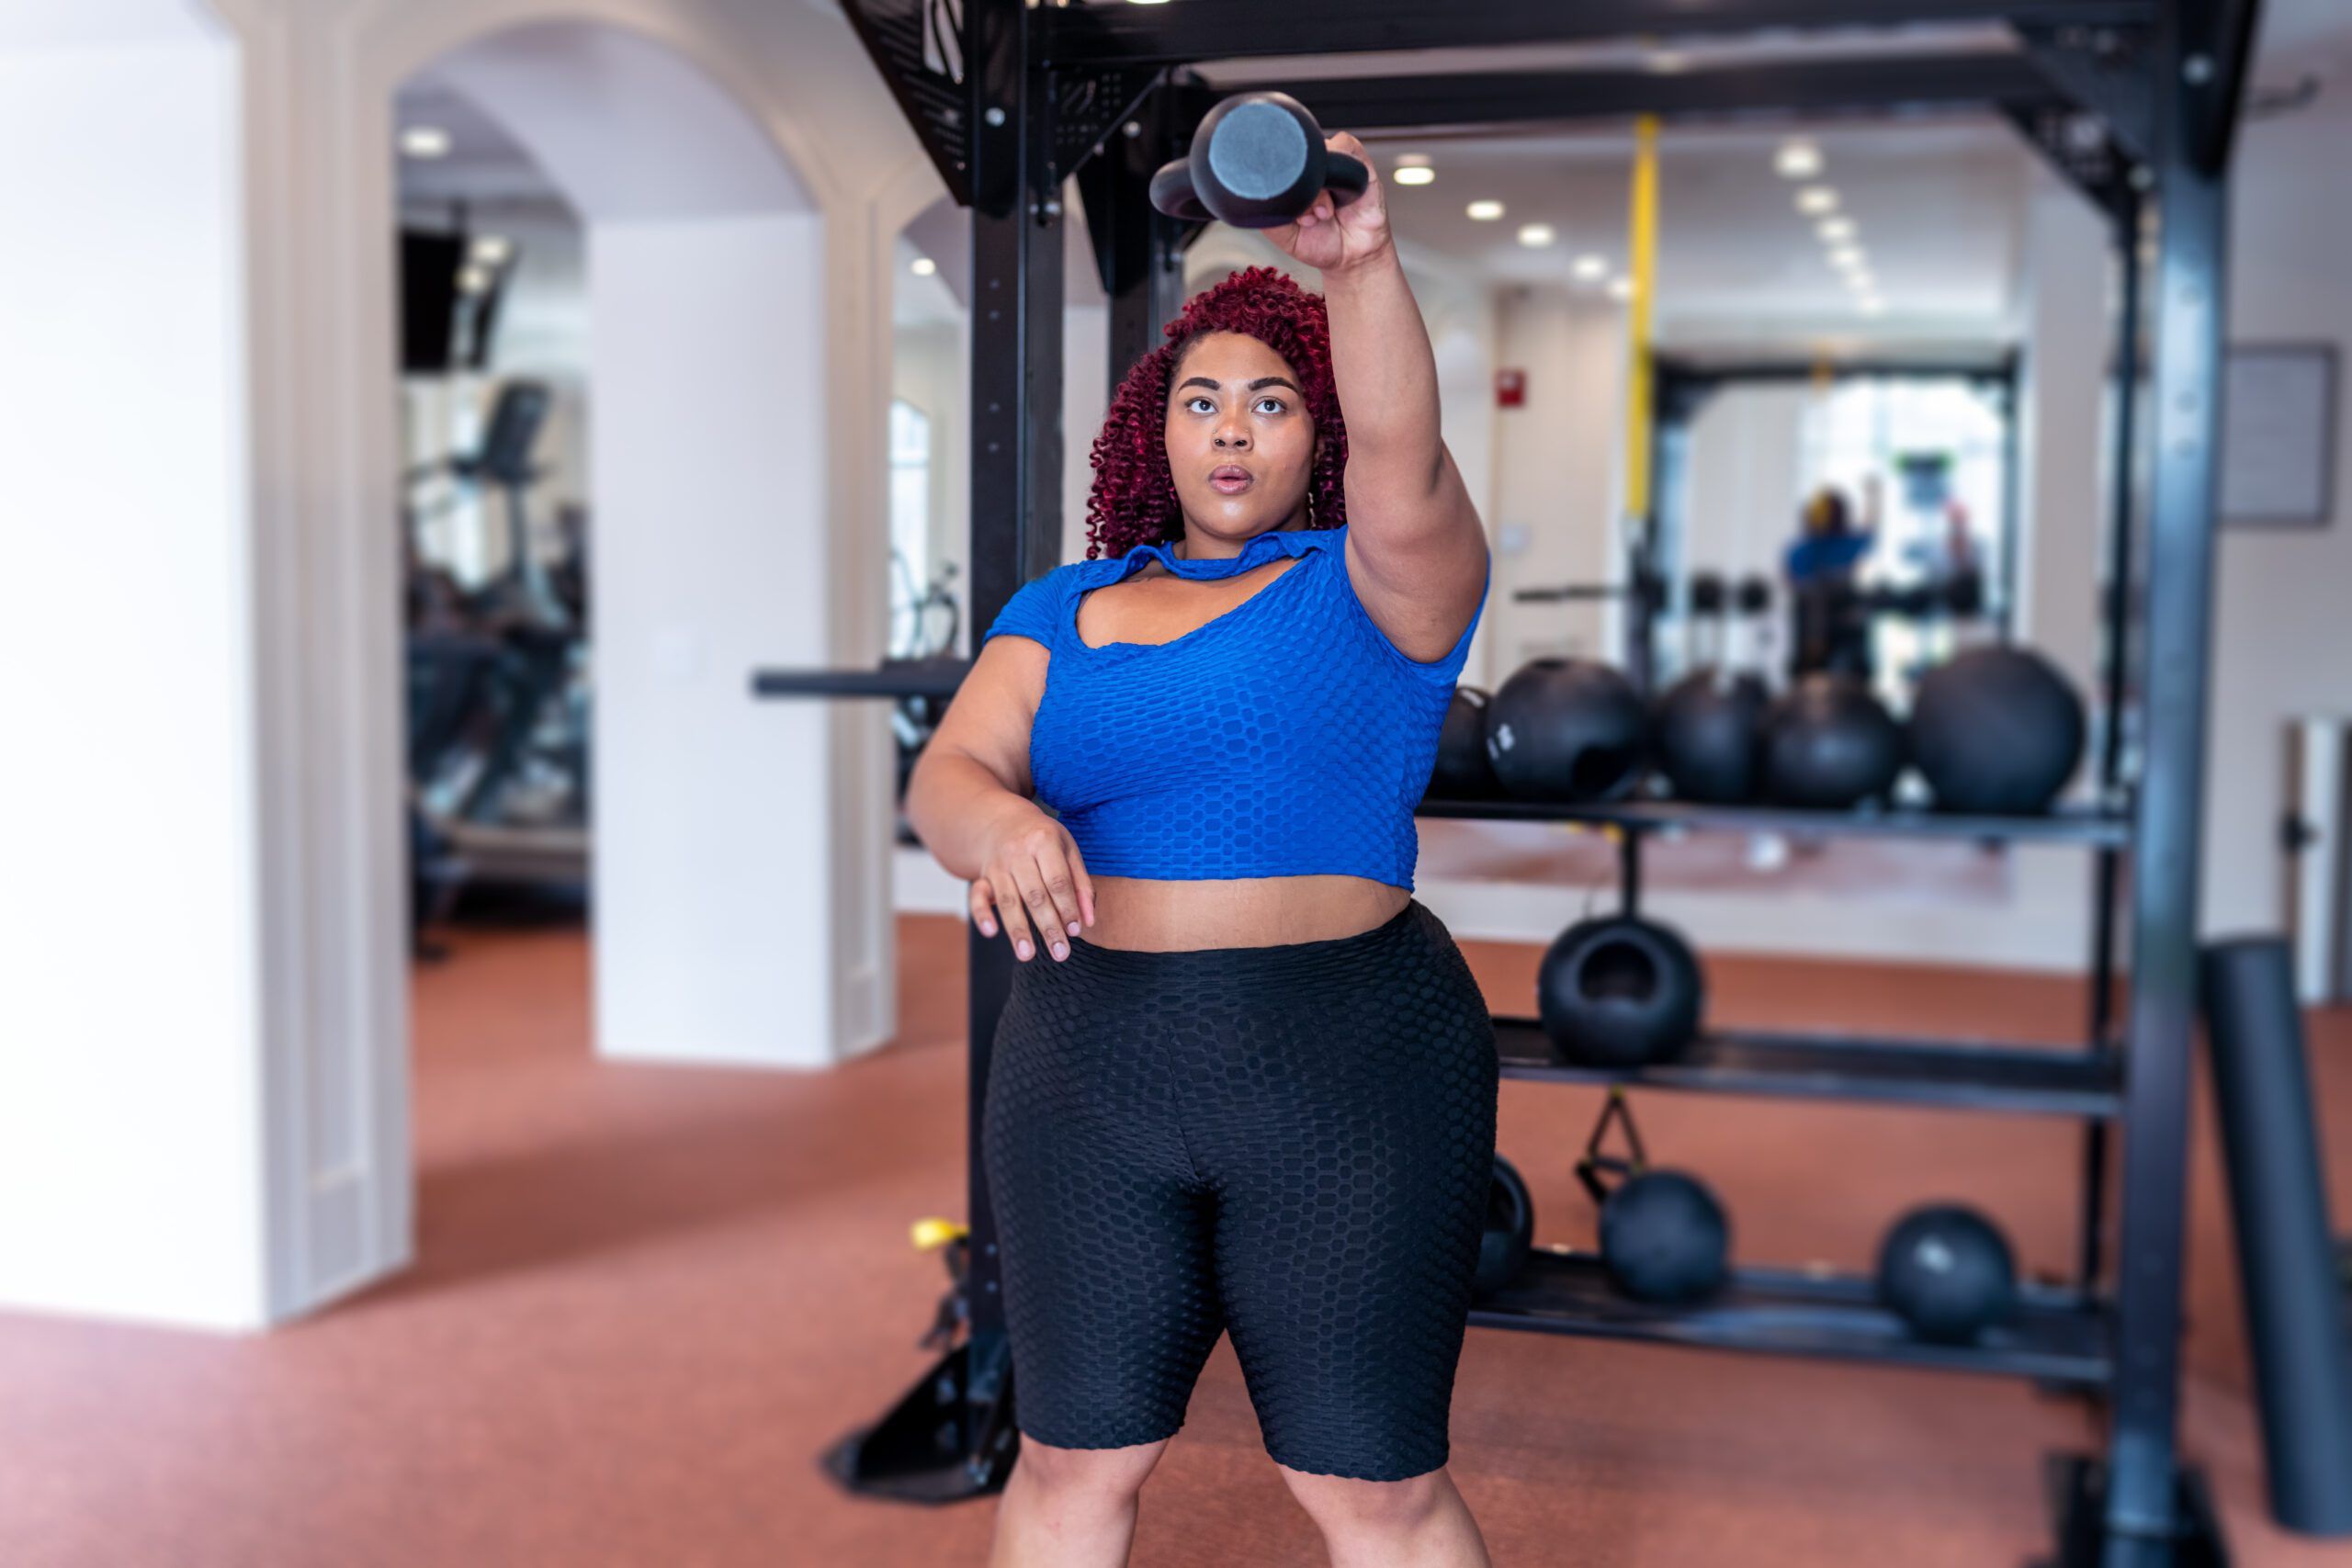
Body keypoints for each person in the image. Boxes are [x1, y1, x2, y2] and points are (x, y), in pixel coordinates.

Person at [906, 132, 1497, 1568]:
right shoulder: (1065, 603)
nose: (1232, 431)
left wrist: (1359, 267)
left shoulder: (1374, 582)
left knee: (1373, 1488)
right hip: (1088, 1067)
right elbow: (951, 775)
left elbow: (1409, 461)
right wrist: (1004, 823)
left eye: (1273, 403)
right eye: (1201, 401)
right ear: (1153, 432)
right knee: (1068, 1461)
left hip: (1350, 1061)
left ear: (1320, 435)